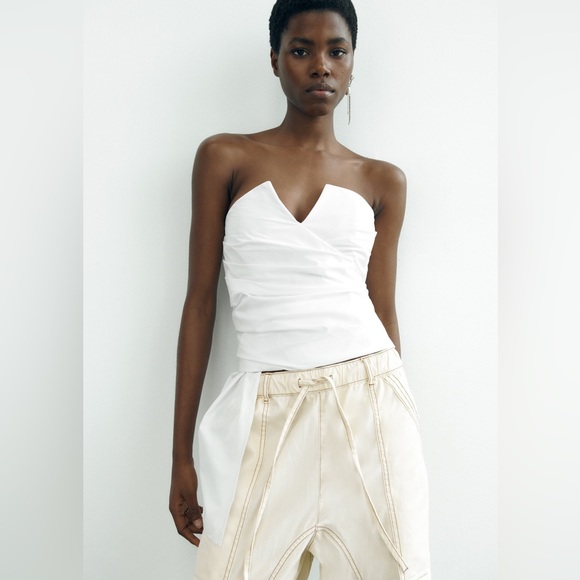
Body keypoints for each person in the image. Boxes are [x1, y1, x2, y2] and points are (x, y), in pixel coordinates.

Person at [169, 0, 431, 578]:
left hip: (370, 402)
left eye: (337, 51)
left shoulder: (383, 180)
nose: (321, 66)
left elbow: (383, 310)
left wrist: (397, 416)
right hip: (262, 407)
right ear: (274, 60)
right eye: (301, 50)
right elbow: (200, 304)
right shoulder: (225, 156)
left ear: (353, 62)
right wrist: (180, 454)